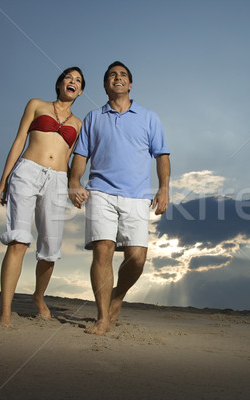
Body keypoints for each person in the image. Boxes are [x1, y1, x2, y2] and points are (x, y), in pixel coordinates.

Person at [68, 61, 170, 335]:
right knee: (103, 251)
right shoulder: (93, 117)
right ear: (105, 85)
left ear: (130, 84)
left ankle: (118, 295)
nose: (118, 78)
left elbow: (162, 155)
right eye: (112, 75)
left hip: (137, 196)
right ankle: (102, 318)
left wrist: (164, 189)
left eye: (123, 75)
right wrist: (74, 181)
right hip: (100, 191)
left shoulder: (149, 117)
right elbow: (80, 155)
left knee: (137, 258)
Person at [0, 67, 85, 328]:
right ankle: (5, 312)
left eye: (78, 81)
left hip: (57, 180)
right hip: (27, 171)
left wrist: (73, 187)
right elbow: (19, 139)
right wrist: (4, 178)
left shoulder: (79, 125)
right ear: (59, 84)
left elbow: (70, 160)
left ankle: (38, 296)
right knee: (19, 240)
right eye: (69, 77)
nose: (73, 82)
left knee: (50, 248)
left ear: (80, 92)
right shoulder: (36, 105)